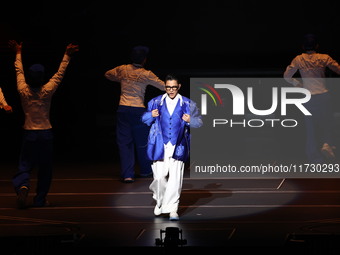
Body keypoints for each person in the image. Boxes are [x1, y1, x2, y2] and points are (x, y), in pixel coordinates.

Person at [8, 40, 79, 209]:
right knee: (45, 168)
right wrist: (67, 55)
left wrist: (18, 52)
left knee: (25, 164)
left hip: (29, 132)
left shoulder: (23, 90)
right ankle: (40, 199)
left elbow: (18, 71)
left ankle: (23, 185)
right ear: (41, 77)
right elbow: (59, 74)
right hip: (46, 133)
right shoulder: (47, 90)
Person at [142, 74, 203, 220]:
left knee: (175, 178)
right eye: (168, 87)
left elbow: (199, 122)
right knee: (159, 178)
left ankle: (172, 209)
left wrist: (190, 120)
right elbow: (144, 119)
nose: (171, 90)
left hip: (178, 145)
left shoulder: (188, 104)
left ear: (179, 87)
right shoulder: (156, 102)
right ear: (165, 87)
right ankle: (160, 200)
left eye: (173, 87)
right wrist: (151, 115)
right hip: (159, 145)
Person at [104, 45, 165, 183]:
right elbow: (163, 86)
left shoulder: (122, 69)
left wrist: (120, 79)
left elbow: (107, 74)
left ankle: (127, 174)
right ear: (144, 59)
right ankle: (145, 171)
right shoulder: (146, 74)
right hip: (138, 109)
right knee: (142, 142)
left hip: (123, 109)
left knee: (125, 143)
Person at [284, 33, 340, 164]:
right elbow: (338, 69)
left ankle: (315, 159)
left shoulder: (299, 59)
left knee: (311, 127)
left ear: (303, 46)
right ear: (317, 45)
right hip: (323, 94)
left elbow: (287, 76)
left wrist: (297, 84)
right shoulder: (324, 58)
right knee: (328, 123)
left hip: (308, 96)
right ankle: (328, 144)